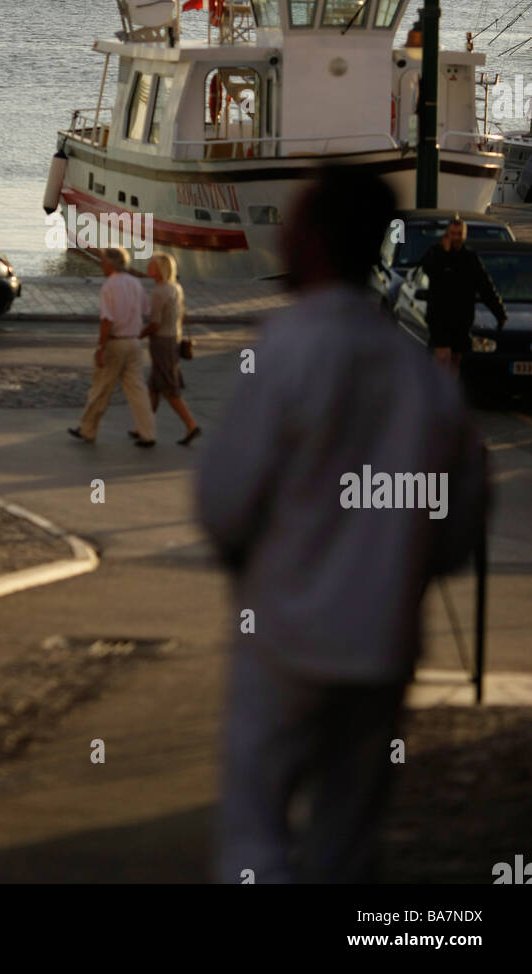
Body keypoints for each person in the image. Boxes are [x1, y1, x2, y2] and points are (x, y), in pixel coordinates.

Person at [196, 166, 488, 884]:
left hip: (286, 636)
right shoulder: (420, 377)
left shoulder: (286, 353)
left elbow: (224, 502)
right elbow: (459, 526)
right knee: (348, 836)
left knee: (257, 823)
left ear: (316, 240)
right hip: (383, 640)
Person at [68, 247, 155, 447]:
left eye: (104, 262)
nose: (102, 265)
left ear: (111, 264)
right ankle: (148, 433)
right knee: (137, 390)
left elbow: (107, 320)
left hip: (115, 343)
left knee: (101, 388)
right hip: (134, 341)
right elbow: (146, 309)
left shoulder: (109, 286)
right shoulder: (135, 283)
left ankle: (87, 429)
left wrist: (101, 348)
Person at [420, 216, 507, 375]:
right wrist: (445, 253)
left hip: (461, 319)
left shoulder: (470, 258)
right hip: (440, 318)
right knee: (442, 357)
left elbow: (485, 286)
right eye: (453, 233)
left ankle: (449, 393)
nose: (456, 237)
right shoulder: (435, 253)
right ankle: (437, 391)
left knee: (455, 360)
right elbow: (429, 270)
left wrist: (499, 312)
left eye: (459, 234)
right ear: (447, 234)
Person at [138, 252, 200, 446]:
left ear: (161, 269)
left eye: (152, 265)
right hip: (173, 340)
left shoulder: (159, 292)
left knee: (168, 389)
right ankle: (143, 429)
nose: (148, 266)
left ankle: (191, 425)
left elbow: (155, 324)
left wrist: (137, 335)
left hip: (161, 342)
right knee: (154, 387)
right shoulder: (176, 287)